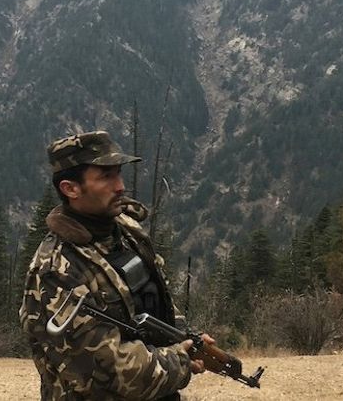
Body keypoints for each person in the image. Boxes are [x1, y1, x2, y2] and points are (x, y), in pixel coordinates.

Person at [19, 130, 208, 400]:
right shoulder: (56, 271)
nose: (120, 186)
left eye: (118, 173)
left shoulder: (126, 230)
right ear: (71, 189)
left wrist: (185, 337)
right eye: (106, 176)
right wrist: (180, 360)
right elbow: (104, 373)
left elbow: (154, 298)